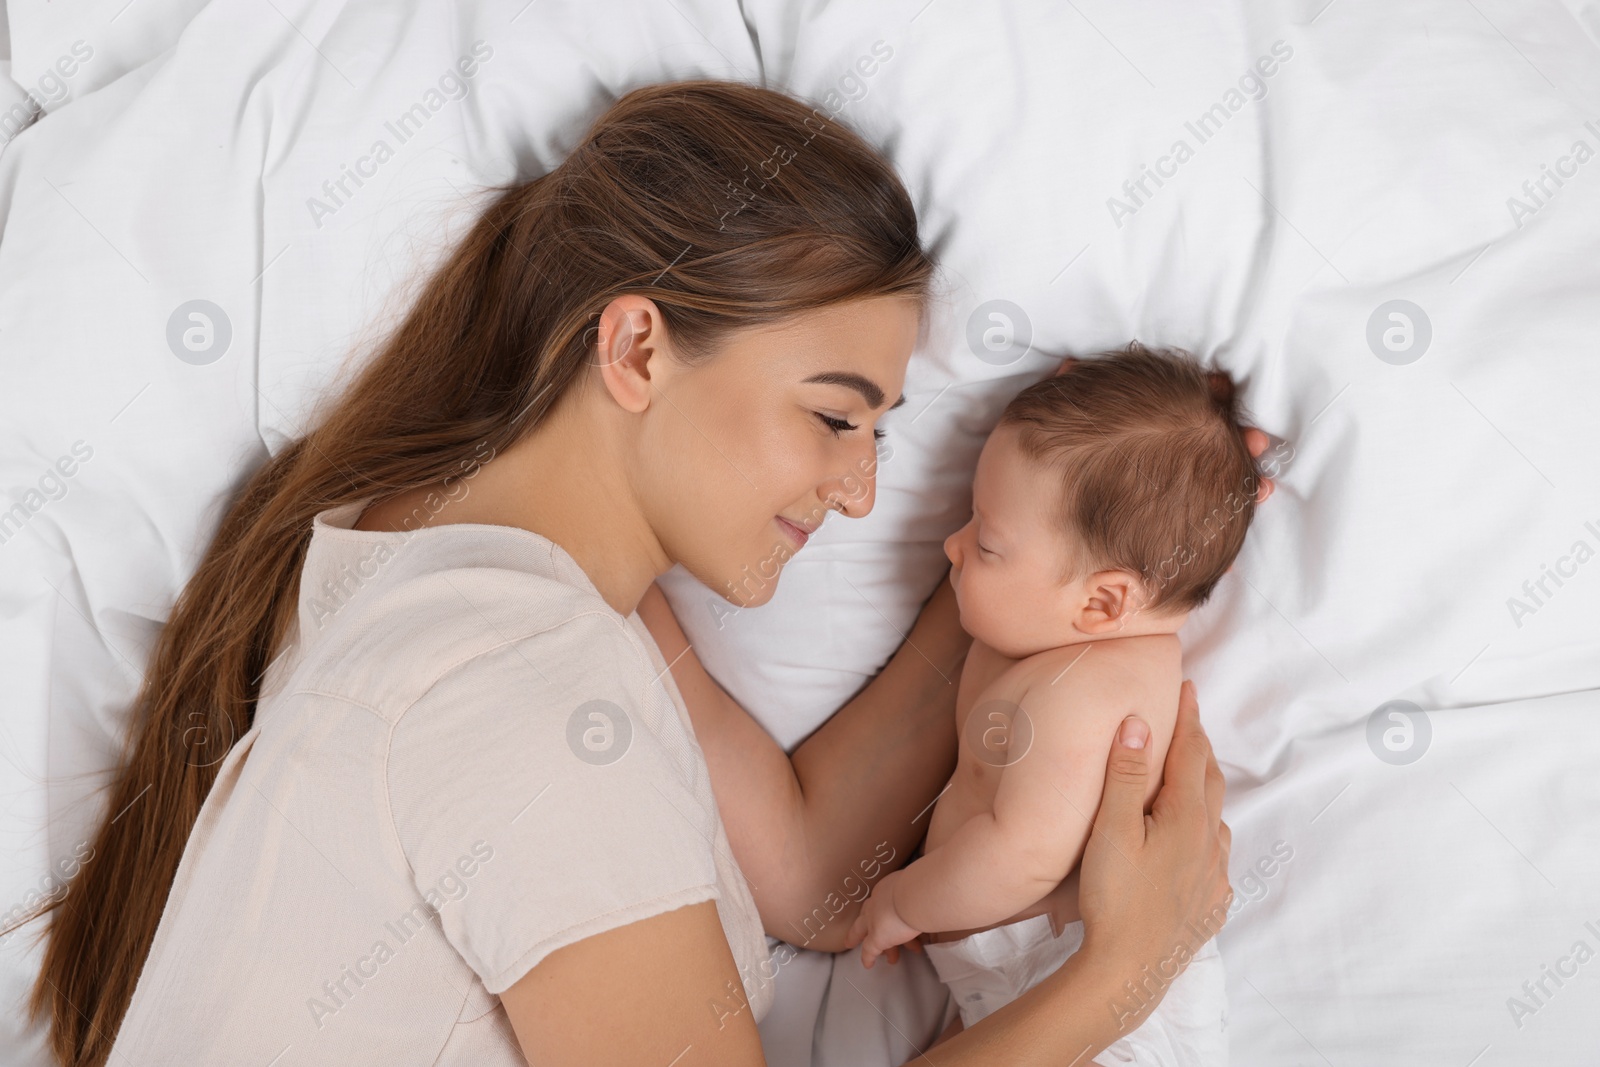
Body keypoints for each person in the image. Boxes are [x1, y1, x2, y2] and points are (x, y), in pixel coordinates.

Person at [5, 80, 1243, 1067]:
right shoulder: (520, 678)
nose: (865, 490)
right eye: (832, 417)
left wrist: (1078, 536)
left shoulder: (420, 557)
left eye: (882, 432)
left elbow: (814, 881)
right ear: (637, 344)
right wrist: (1115, 979)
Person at [841, 345, 1261, 1063]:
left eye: (988, 540)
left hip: (1099, 1007)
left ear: (1103, 600)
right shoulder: (1070, 643)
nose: (952, 544)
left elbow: (1024, 850)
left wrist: (907, 901)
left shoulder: (1088, 695)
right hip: (1047, 984)